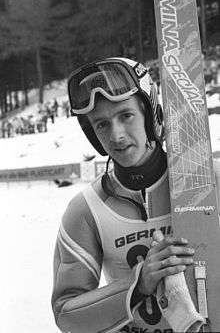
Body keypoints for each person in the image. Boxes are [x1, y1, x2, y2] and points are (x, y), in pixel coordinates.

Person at [51, 58, 220, 333]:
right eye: (102, 125)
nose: (116, 135)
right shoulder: (86, 210)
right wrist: (138, 284)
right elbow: (67, 316)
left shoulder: (212, 180)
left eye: (125, 116)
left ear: (151, 115)